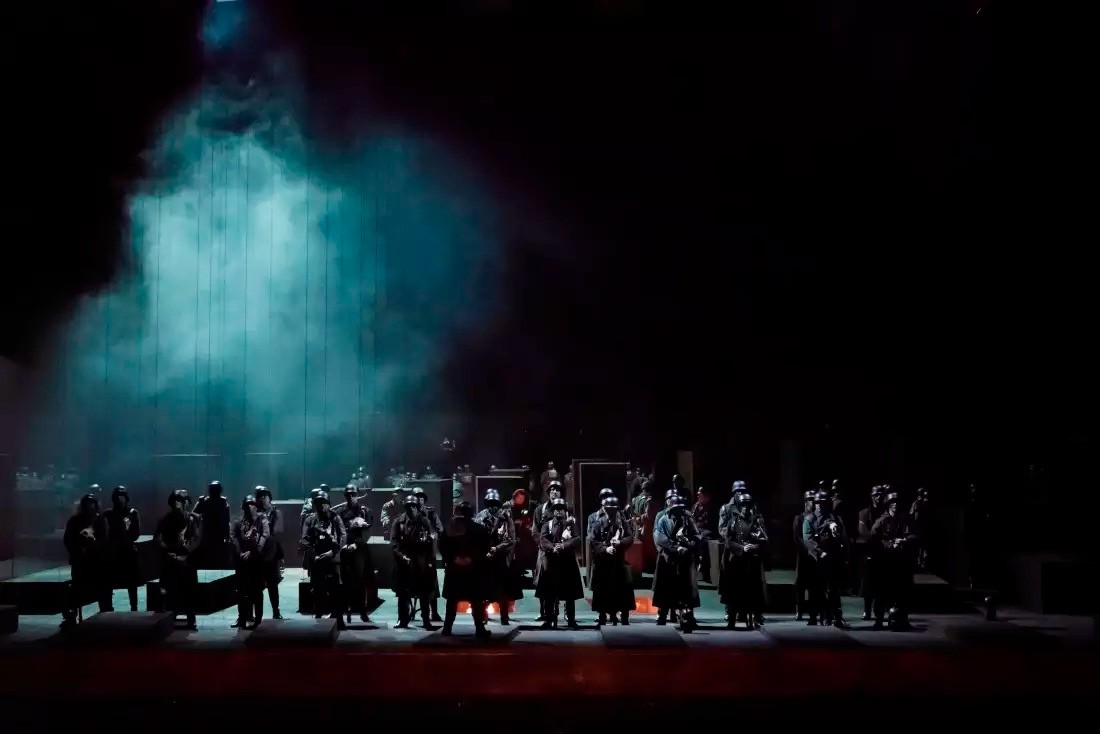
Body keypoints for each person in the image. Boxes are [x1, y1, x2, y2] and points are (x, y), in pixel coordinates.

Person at [438, 501, 491, 638]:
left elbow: (442, 546)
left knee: (452, 601)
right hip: (473, 569)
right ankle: (479, 629)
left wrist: (453, 558)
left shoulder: (450, 528)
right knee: (476, 601)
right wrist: (472, 558)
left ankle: (447, 628)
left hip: (455, 569)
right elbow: (485, 547)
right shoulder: (479, 529)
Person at [719, 492, 768, 629]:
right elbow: (729, 541)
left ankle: (756, 616)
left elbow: (765, 541)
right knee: (734, 591)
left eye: (748, 505)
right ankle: (732, 618)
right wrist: (742, 548)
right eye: (743, 505)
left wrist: (754, 547)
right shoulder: (733, 522)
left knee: (754, 590)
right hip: (737, 560)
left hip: (752, 560)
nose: (746, 507)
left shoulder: (757, 522)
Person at [153, 489, 201, 630]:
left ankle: (191, 618)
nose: (177, 504)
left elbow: (196, 538)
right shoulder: (165, 520)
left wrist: (186, 553)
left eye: (180, 501)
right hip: (170, 560)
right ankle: (170, 617)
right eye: (175, 501)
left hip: (187, 560)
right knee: (170, 591)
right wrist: (168, 552)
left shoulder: (192, 519)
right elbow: (158, 538)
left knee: (189, 591)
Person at [652, 494, 700, 631]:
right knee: (665, 588)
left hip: (685, 558)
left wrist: (688, 544)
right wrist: (675, 547)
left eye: (681, 508)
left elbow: (697, 536)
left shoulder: (688, 519)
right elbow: (659, 538)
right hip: (668, 558)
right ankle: (663, 614)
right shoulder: (663, 520)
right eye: (676, 509)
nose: (679, 511)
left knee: (686, 590)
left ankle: (687, 616)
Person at [871, 491, 918, 630]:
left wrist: (904, 540)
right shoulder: (882, 521)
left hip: (902, 562)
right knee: (882, 592)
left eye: (897, 502)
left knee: (902, 592)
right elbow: (875, 538)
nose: (895, 504)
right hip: (886, 562)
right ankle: (879, 620)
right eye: (892, 502)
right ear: (888, 504)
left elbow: (916, 535)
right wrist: (890, 544)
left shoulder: (906, 519)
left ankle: (902, 619)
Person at [62, 493, 110, 628]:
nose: (90, 507)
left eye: (92, 504)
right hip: (80, 561)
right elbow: (68, 540)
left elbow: (104, 540)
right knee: (77, 588)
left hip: (97, 561)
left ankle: (106, 612)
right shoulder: (74, 521)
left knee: (102, 587)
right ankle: (72, 614)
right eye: (87, 505)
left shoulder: (100, 520)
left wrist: (94, 547)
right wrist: (79, 550)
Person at [299, 491, 346, 627]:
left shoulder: (335, 518)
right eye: (319, 503)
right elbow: (304, 539)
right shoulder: (310, 519)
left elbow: (343, 536)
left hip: (332, 557)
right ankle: (319, 619)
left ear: (329, 504)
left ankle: (339, 619)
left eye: (324, 503)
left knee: (335, 590)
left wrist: (333, 552)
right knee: (318, 590)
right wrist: (314, 553)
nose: (321, 506)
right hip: (317, 559)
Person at [474, 489, 521, 625]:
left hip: (501, 558)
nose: (493, 506)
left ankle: (504, 617)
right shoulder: (481, 516)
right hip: (485, 558)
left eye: (495, 503)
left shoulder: (505, 517)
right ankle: (483, 615)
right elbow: (475, 537)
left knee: (503, 590)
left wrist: (496, 549)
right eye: (490, 503)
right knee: (484, 589)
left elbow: (510, 539)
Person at [536, 497, 584, 629]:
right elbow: (543, 540)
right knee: (549, 594)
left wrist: (563, 546)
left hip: (567, 563)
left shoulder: (571, 524)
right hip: (552, 563)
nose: (559, 511)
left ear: (565, 511)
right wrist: (553, 547)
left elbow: (577, 539)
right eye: (556, 509)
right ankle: (548, 620)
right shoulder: (547, 525)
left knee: (570, 594)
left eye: (561, 509)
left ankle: (571, 620)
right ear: (553, 511)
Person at [803, 491, 849, 628]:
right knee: (816, 589)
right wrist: (819, 551)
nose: (819, 505)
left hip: (830, 558)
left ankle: (835, 616)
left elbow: (835, 528)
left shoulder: (831, 517)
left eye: (822, 503)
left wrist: (834, 529)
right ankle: (815, 616)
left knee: (833, 589)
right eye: (818, 503)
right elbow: (808, 539)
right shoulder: (809, 519)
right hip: (815, 559)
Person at [390, 494, 436, 629]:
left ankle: (426, 619)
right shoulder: (398, 522)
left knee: (424, 593)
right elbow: (394, 543)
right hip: (404, 563)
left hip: (420, 562)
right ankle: (402, 619)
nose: (411, 509)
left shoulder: (424, 522)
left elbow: (431, 541)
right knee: (403, 594)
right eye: (409, 506)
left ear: (417, 507)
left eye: (414, 506)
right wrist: (402, 556)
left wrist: (429, 560)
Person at [589, 496, 636, 626]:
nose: (611, 512)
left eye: (614, 509)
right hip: (603, 562)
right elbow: (593, 541)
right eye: (609, 509)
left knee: (623, 589)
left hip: (618, 561)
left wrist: (620, 543)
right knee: (603, 590)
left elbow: (630, 538)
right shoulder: (598, 523)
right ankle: (603, 616)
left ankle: (624, 616)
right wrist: (605, 549)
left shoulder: (622, 523)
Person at [339, 484, 378, 624]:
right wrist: (343, 544)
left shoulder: (364, 511)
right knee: (343, 581)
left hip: (359, 549)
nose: (351, 497)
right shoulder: (340, 512)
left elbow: (367, 532)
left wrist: (357, 544)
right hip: (344, 548)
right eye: (348, 495)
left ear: (357, 495)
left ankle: (362, 611)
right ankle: (342, 611)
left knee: (361, 581)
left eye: (353, 494)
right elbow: (338, 530)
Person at [230, 495, 269, 629]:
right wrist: (240, 552)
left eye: (252, 504)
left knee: (257, 590)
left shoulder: (262, 520)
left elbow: (264, 536)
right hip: (242, 561)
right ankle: (242, 618)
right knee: (241, 591)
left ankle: (257, 619)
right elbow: (233, 537)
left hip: (256, 561)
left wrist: (253, 552)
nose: (249, 507)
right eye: (247, 504)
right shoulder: (238, 522)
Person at [102, 485, 141, 612]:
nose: (120, 499)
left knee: (132, 583)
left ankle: (134, 607)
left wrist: (125, 535)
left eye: (122, 496)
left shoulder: (132, 513)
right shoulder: (107, 514)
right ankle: (108, 608)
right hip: (113, 552)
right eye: (118, 496)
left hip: (127, 551)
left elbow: (135, 534)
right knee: (108, 581)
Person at [411, 487, 445, 622]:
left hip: (428, 553)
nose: (419, 499)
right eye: (417, 497)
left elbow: (440, 529)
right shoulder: (409, 513)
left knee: (432, 584)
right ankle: (409, 612)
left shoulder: (430, 513)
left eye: (421, 497)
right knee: (412, 584)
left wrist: (432, 535)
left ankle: (434, 612)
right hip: (414, 553)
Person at [856, 485, 886, 621]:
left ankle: (880, 610)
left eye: (881, 495)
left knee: (882, 583)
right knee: (868, 582)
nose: (879, 497)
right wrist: (875, 540)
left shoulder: (886, 512)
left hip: (883, 551)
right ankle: (867, 609)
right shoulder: (864, 513)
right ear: (872, 496)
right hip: (870, 550)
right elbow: (862, 531)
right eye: (876, 495)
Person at [254, 486, 284, 619]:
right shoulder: (254, 513)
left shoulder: (276, 513)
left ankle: (276, 611)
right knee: (256, 585)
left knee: (272, 584)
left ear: (269, 498)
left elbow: (278, 532)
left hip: (272, 553)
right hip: (257, 554)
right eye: (259, 496)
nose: (262, 499)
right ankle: (256, 614)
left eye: (264, 496)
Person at [194, 481, 232, 569]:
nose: (214, 492)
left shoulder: (224, 504)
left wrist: (227, 538)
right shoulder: (204, 501)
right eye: (212, 490)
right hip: (207, 536)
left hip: (219, 537)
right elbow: (193, 515)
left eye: (216, 490)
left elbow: (226, 522)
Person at [793, 490, 815, 620]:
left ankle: (813, 611)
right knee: (800, 583)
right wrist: (808, 549)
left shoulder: (817, 518)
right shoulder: (799, 518)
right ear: (806, 501)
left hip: (815, 555)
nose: (813, 502)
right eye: (810, 500)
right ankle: (799, 610)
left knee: (814, 584)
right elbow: (797, 537)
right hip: (803, 555)